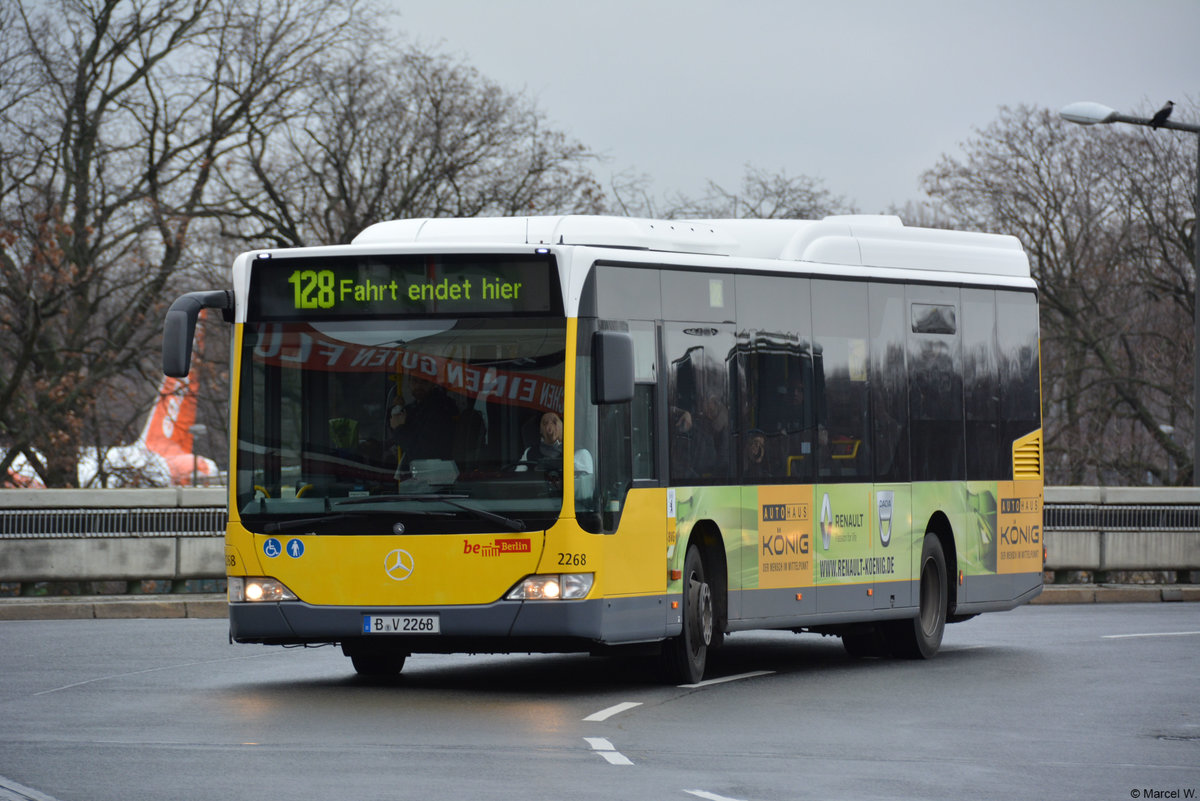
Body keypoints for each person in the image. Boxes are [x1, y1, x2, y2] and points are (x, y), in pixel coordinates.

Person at [516, 411, 594, 475]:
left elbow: (583, 488)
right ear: (540, 430)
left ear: (564, 426)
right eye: (545, 423)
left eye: (554, 422)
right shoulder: (530, 453)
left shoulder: (580, 454)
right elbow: (518, 479)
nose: (549, 427)